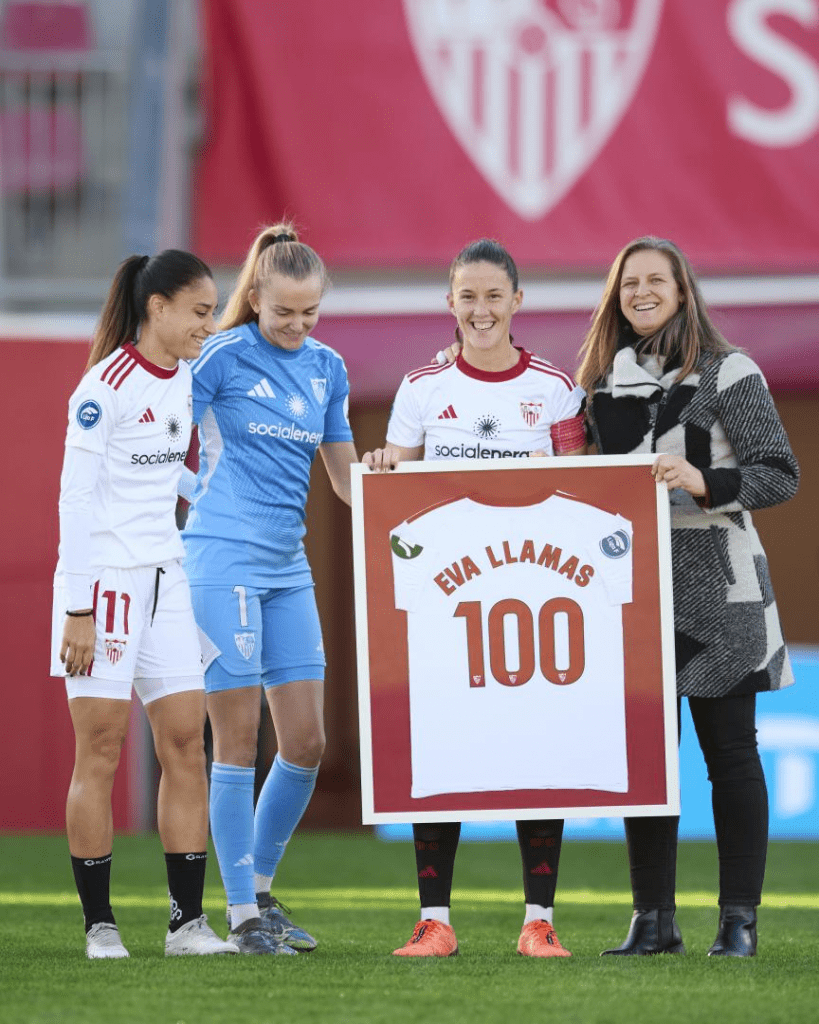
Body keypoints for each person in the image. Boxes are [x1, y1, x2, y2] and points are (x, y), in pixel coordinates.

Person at [576, 236, 799, 958]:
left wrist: (704, 481)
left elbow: (778, 473)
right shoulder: (598, 386)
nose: (640, 292)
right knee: (648, 760)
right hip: (630, 588)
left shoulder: (728, 371)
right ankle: (653, 920)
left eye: (654, 281)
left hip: (720, 589)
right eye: (627, 283)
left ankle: (738, 921)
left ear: (681, 291)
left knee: (730, 756)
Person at [364, 238, 587, 958]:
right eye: (468, 296)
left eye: (494, 296)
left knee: (536, 758)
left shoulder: (556, 387)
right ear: (449, 302)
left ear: (517, 302)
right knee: (443, 757)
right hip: (444, 610)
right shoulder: (421, 387)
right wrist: (383, 467)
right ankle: (435, 922)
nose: (481, 309)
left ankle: (537, 920)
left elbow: (581, 487)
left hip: (530, 600)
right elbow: (401, 478)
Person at [52, 251, 238, 959]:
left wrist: (201, 493)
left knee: (186, 745)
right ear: (156, 307)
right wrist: (78, 608)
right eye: (198, 311)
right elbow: (74, 498)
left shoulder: (185, 380)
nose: (208, 324)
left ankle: (186, 925)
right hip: (102, 587)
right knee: (99, 751)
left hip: (168, 581)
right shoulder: (104, 386)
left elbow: (171, 473)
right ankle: (101, 926)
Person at [182, 223, 358, 955]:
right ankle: (242, 914)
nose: (296, 325)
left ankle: (260, 889)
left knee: (308, 741)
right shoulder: (219, 355)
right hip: (221, 562)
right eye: (284, 311)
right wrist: (194, 502)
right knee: (237, 740)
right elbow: (156, 440)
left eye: (310, 311)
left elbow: (346, 478)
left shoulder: (328, 367)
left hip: (288, 571)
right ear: (254, 297)